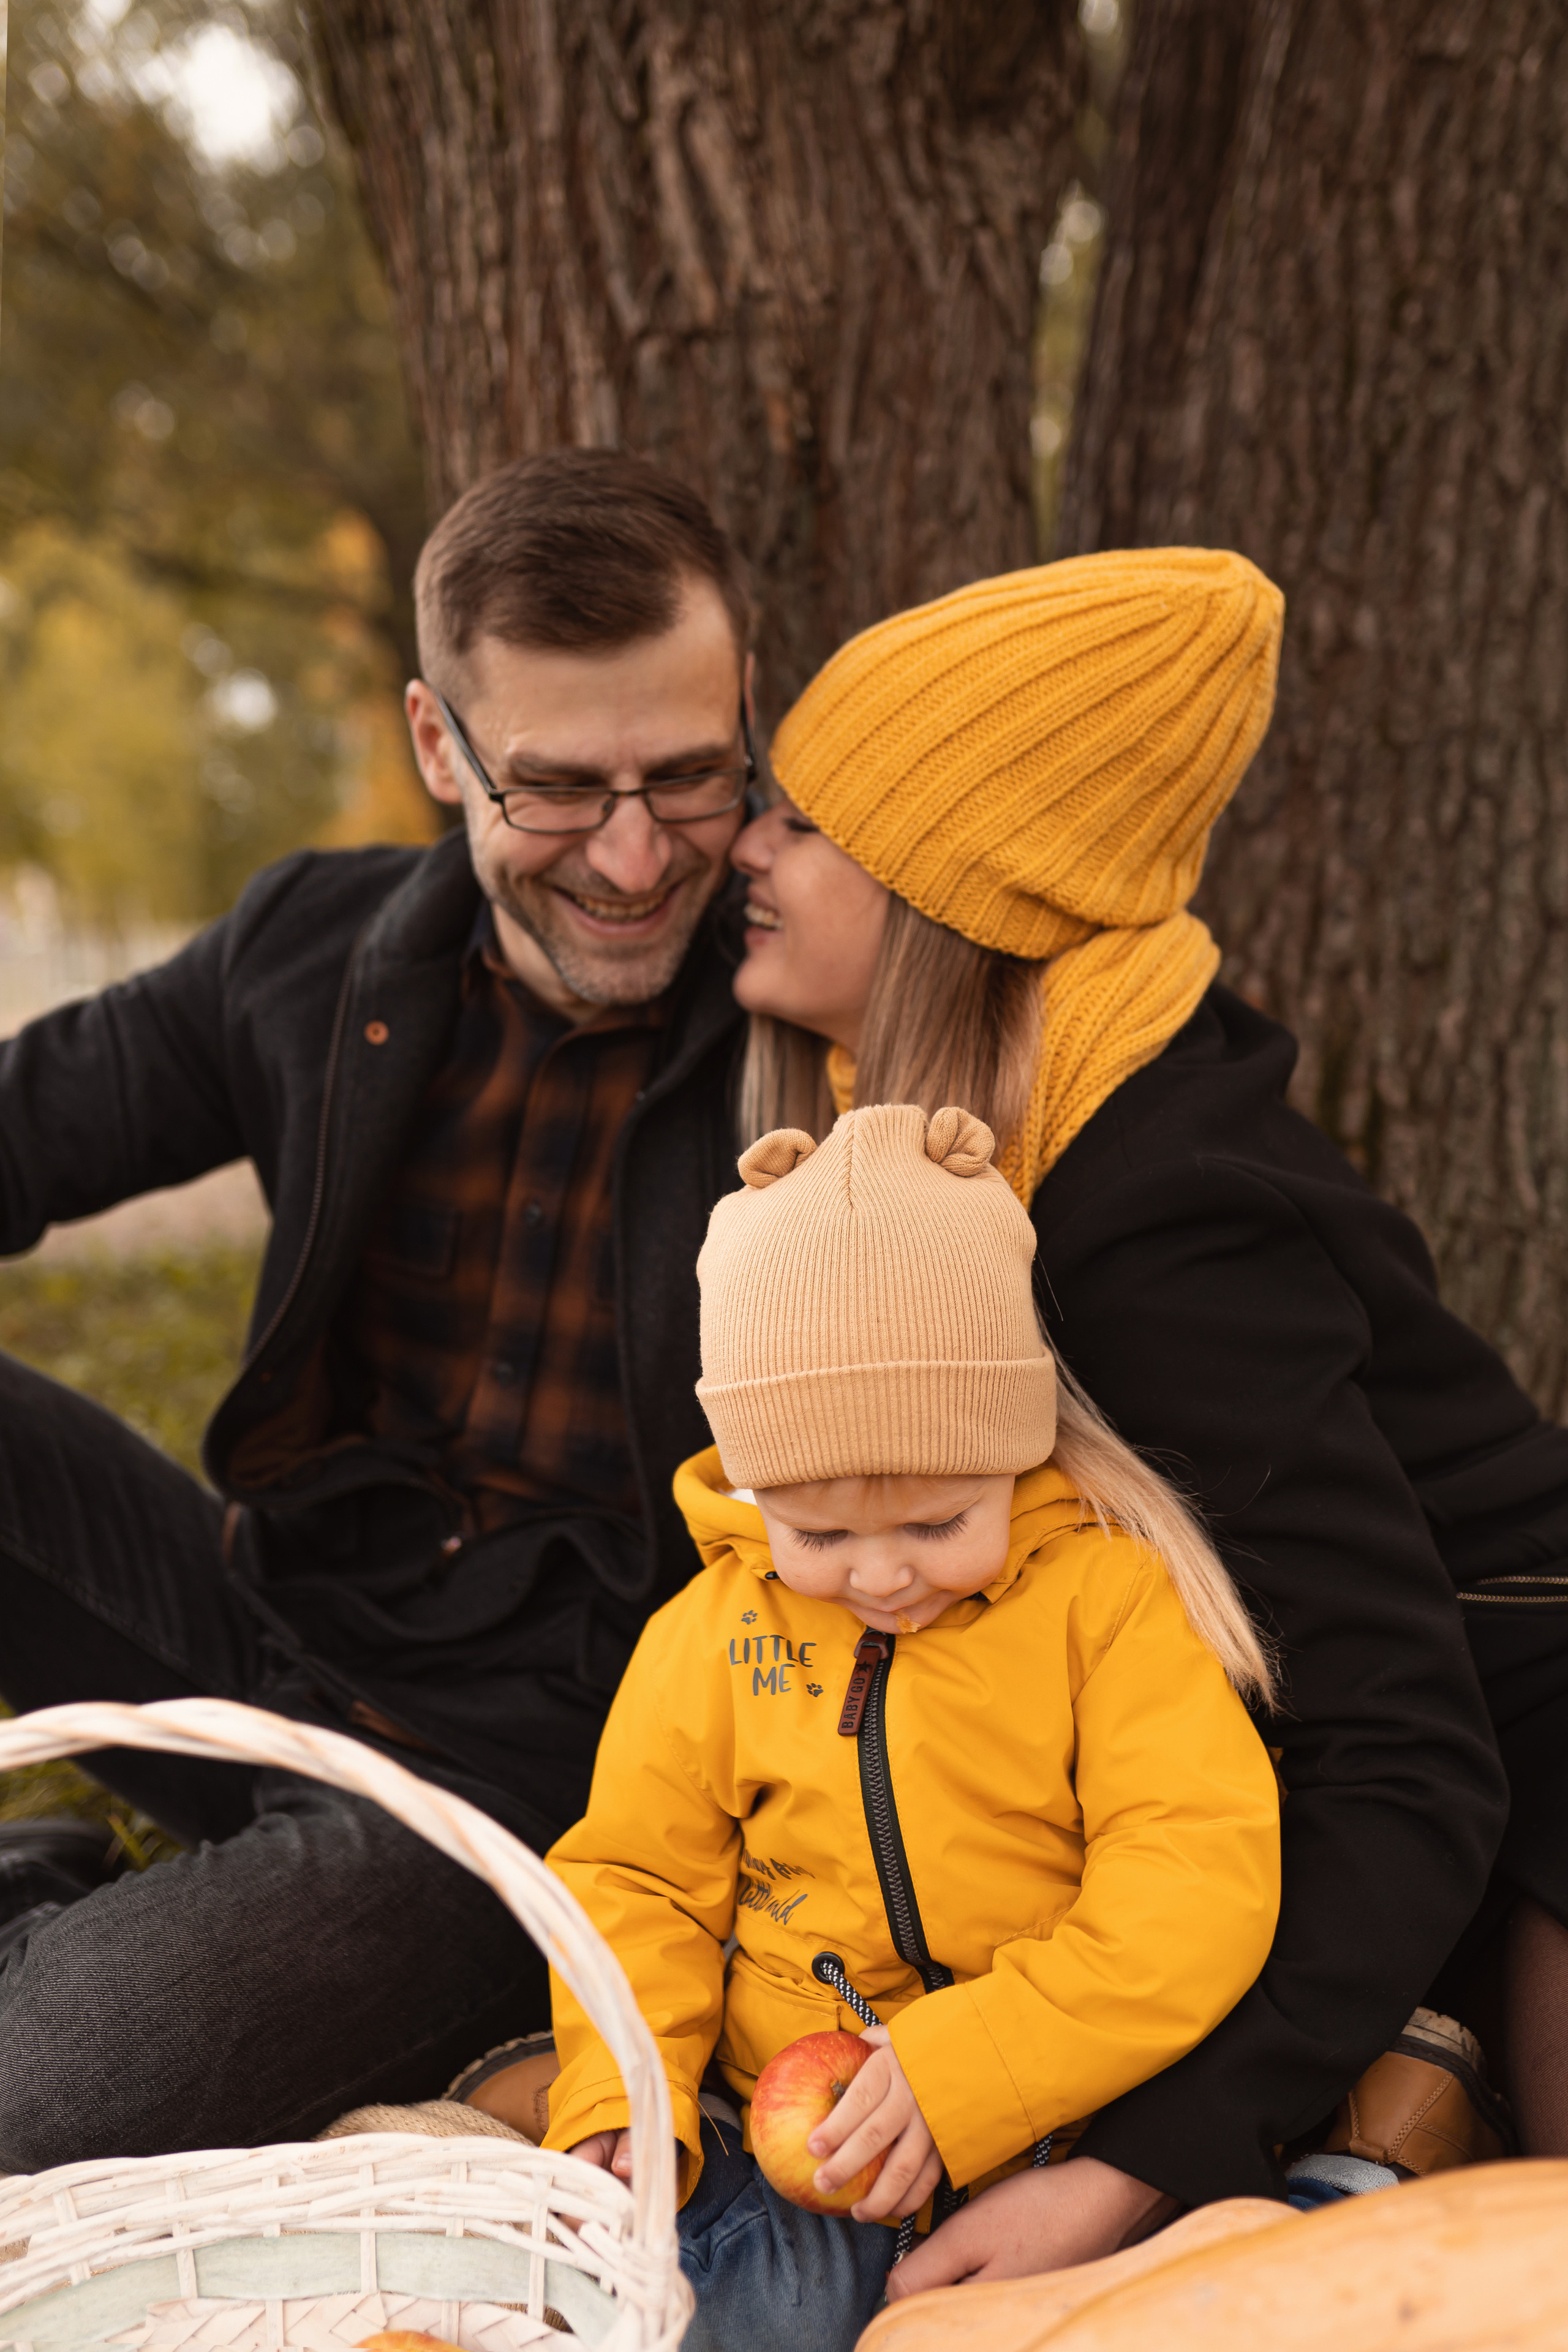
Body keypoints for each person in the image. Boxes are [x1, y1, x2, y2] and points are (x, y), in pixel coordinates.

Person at [726, 546, 1568, 2285]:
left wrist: (1126, 2169)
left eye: (805, 825)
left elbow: (1402, 1748)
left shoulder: (1149, 1222)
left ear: (954, 895)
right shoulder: (907, 1152)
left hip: (1514, 1752)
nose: (744, 847)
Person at [0, 450, 758, 2171]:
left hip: (527, 1786)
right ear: (437, 743)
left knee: (41, 2099)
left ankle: (120, 1946)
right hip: (264, 1627)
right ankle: (113, 1913)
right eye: (555, 789)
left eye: (688, 776)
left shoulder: (817, 1000)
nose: (635, 855)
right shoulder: (313, 948)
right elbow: (29, 1120)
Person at [545, 1101, 1282, 2352]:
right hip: (796, 2147)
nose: (882, 1576)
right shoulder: (711, 1634)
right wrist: (626, 2087)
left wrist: (975, 2069)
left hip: (1063, 2124)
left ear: (1019, 1450)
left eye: (938, 1523)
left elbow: (1191, 1872)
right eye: (819, 1534)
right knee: (713, 2313)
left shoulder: (1102, 1602)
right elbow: (639, 1881)